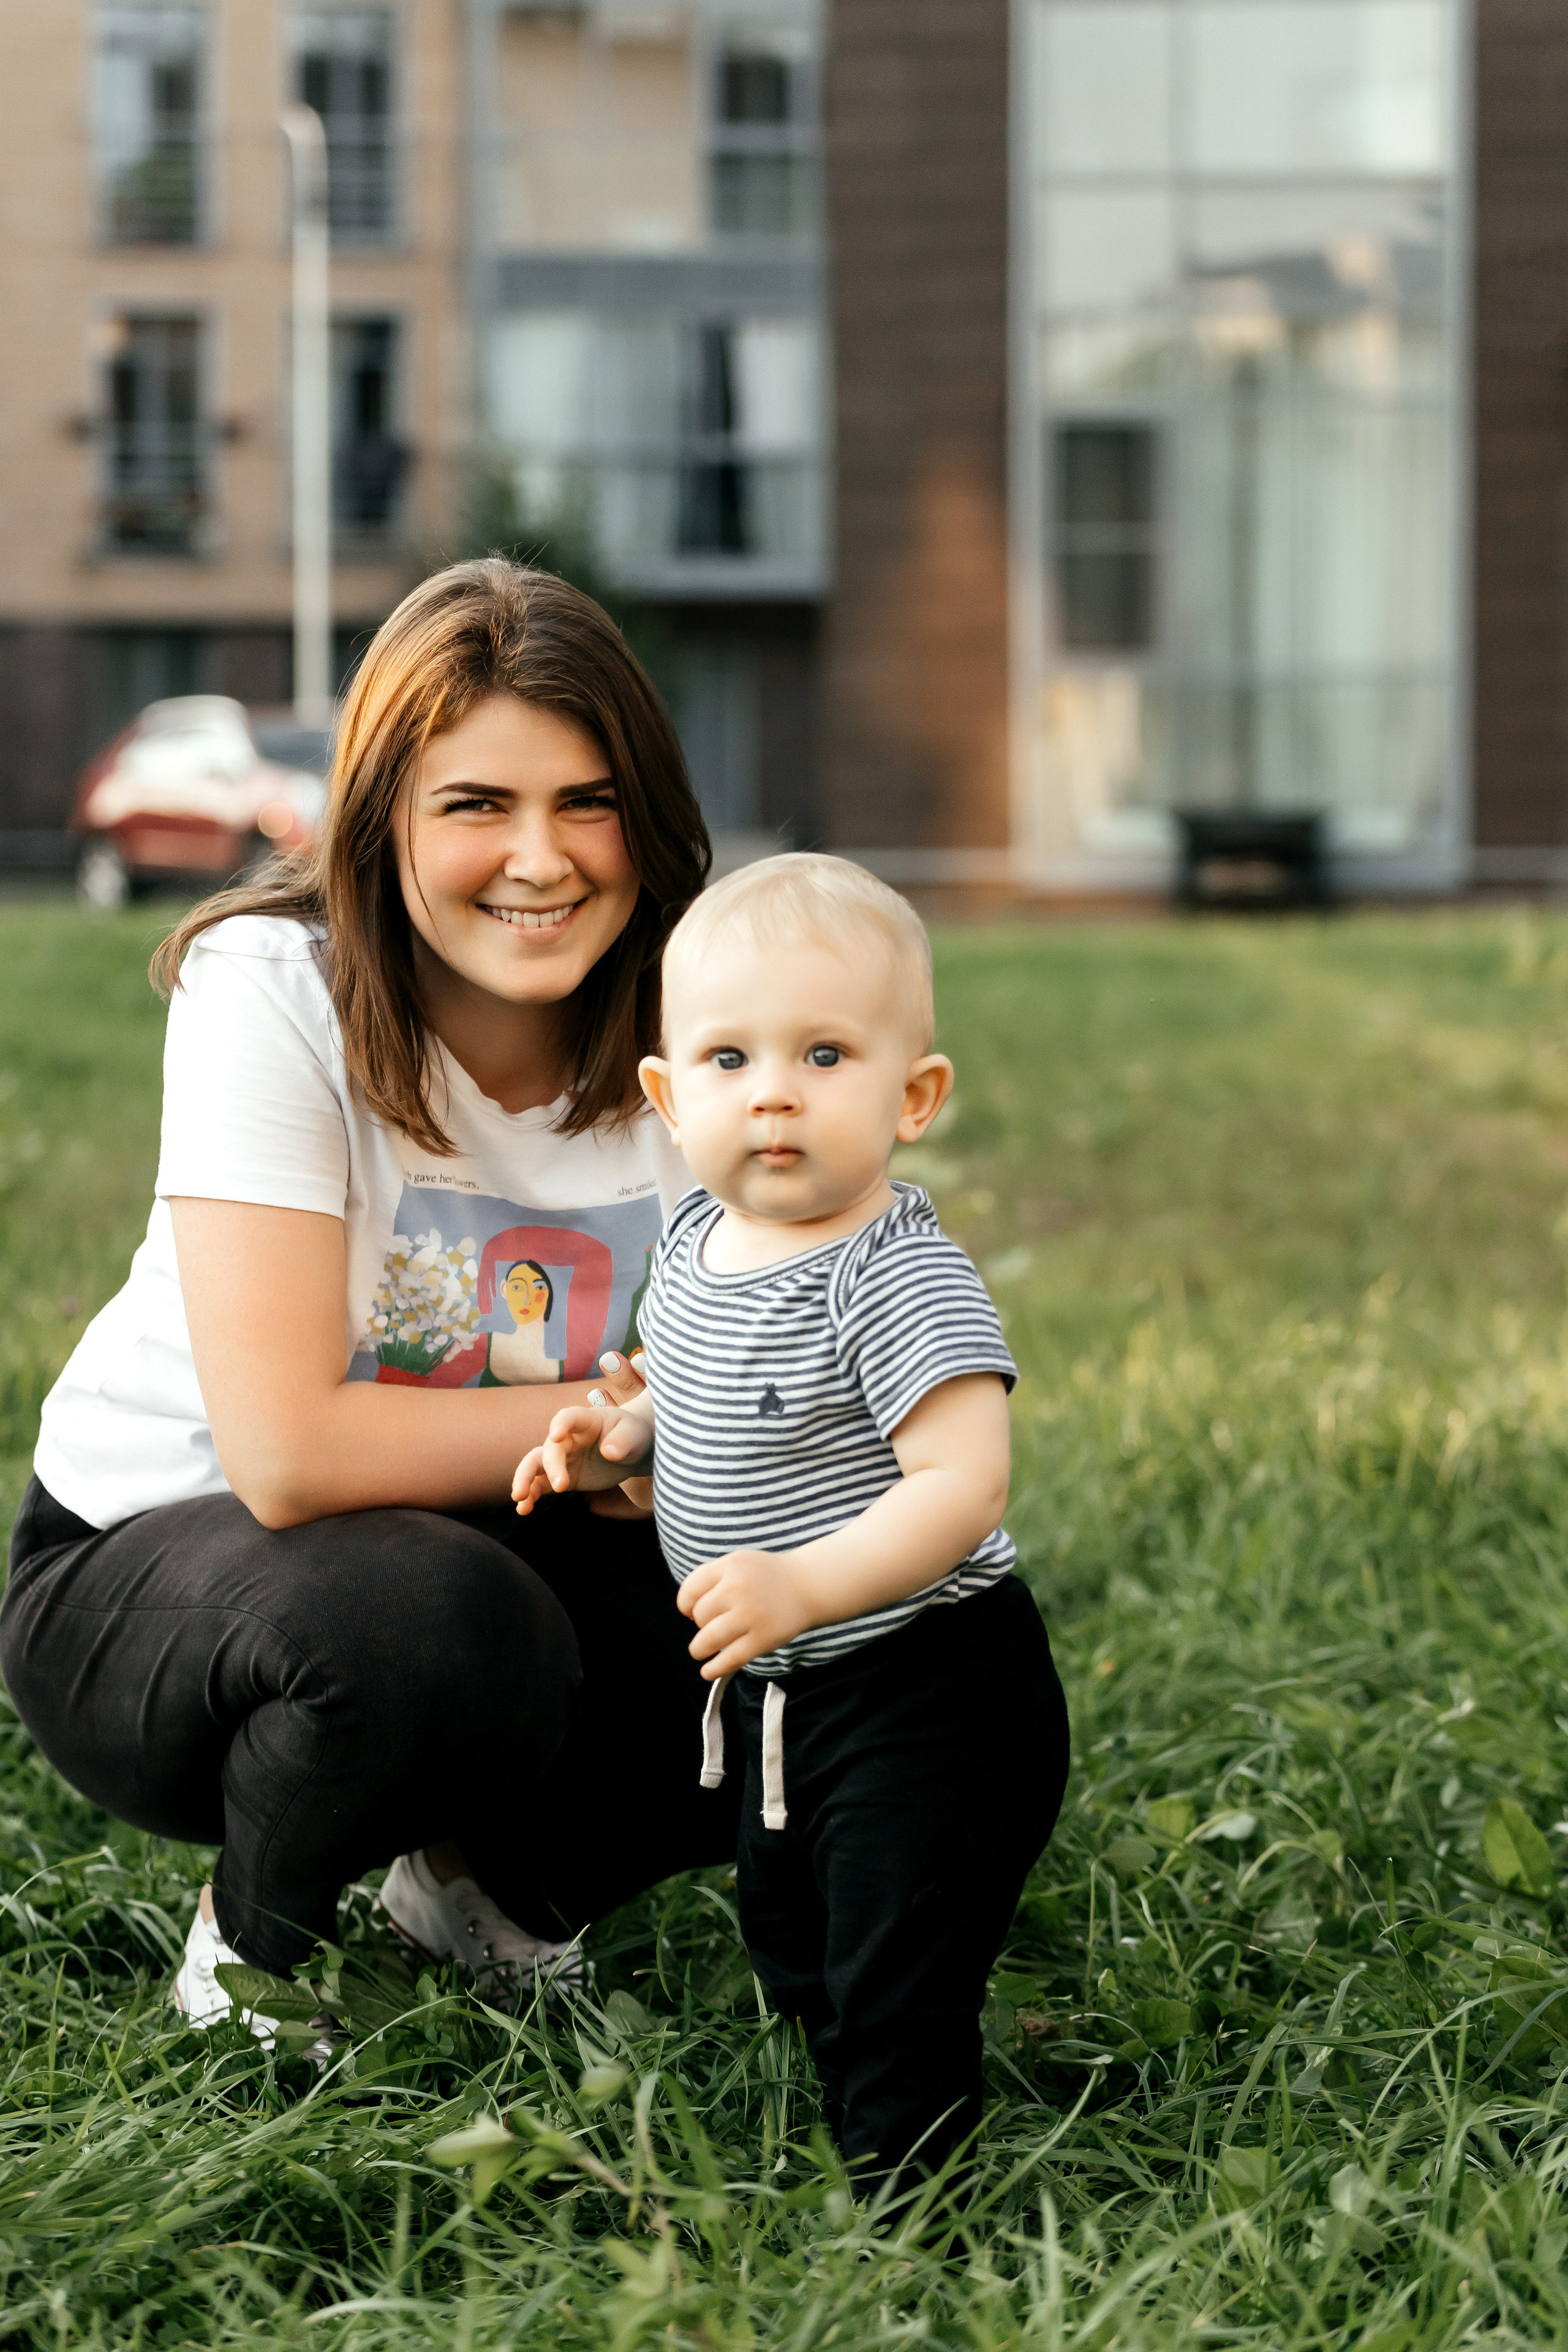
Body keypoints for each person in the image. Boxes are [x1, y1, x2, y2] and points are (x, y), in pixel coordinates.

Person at [1, 558, 741, 2037]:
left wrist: (703, 1441)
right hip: (158, 1579)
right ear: (382, 820)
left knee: (818, 1610)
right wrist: (640, 1412)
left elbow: (775, 1369)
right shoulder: (274, 985)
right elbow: (289, 1452)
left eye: (585, 801)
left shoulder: (702, 1023)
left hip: (489, 1524)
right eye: (476, 806)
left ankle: (491, 1897)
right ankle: (254, 1947)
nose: (541, 859)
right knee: (441, 1624)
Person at [513, 854, 1071, 2201]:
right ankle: (848, 2076)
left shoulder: (895, 1274)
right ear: (665, 1096)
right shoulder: (698, 1240)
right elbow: (687, 1392)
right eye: (725, 1057)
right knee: (793, 1928)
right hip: (781, 1688)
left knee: (891, 1952)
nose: (771, 1090)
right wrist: (619, 1440)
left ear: (912, 1096)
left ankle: (910, 2199)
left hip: (930, 1683)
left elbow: (961, 1487)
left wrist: (808, 1588)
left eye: (824, 1053)